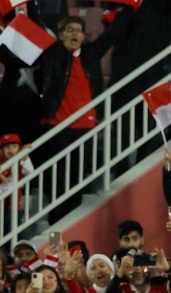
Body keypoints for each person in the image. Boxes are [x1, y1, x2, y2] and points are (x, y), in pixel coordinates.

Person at [35, 11, 134, 222]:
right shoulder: (53, 54)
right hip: (58, 127)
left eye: (78, 30)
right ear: (60, 35)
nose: (74, 34)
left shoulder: (90, 53)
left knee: (78, 179)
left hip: (85, 128)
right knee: (58, 182)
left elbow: (113, 34)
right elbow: (38, 26)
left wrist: (128, 8)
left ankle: (72, 225)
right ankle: (57, 228)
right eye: (69, 30)